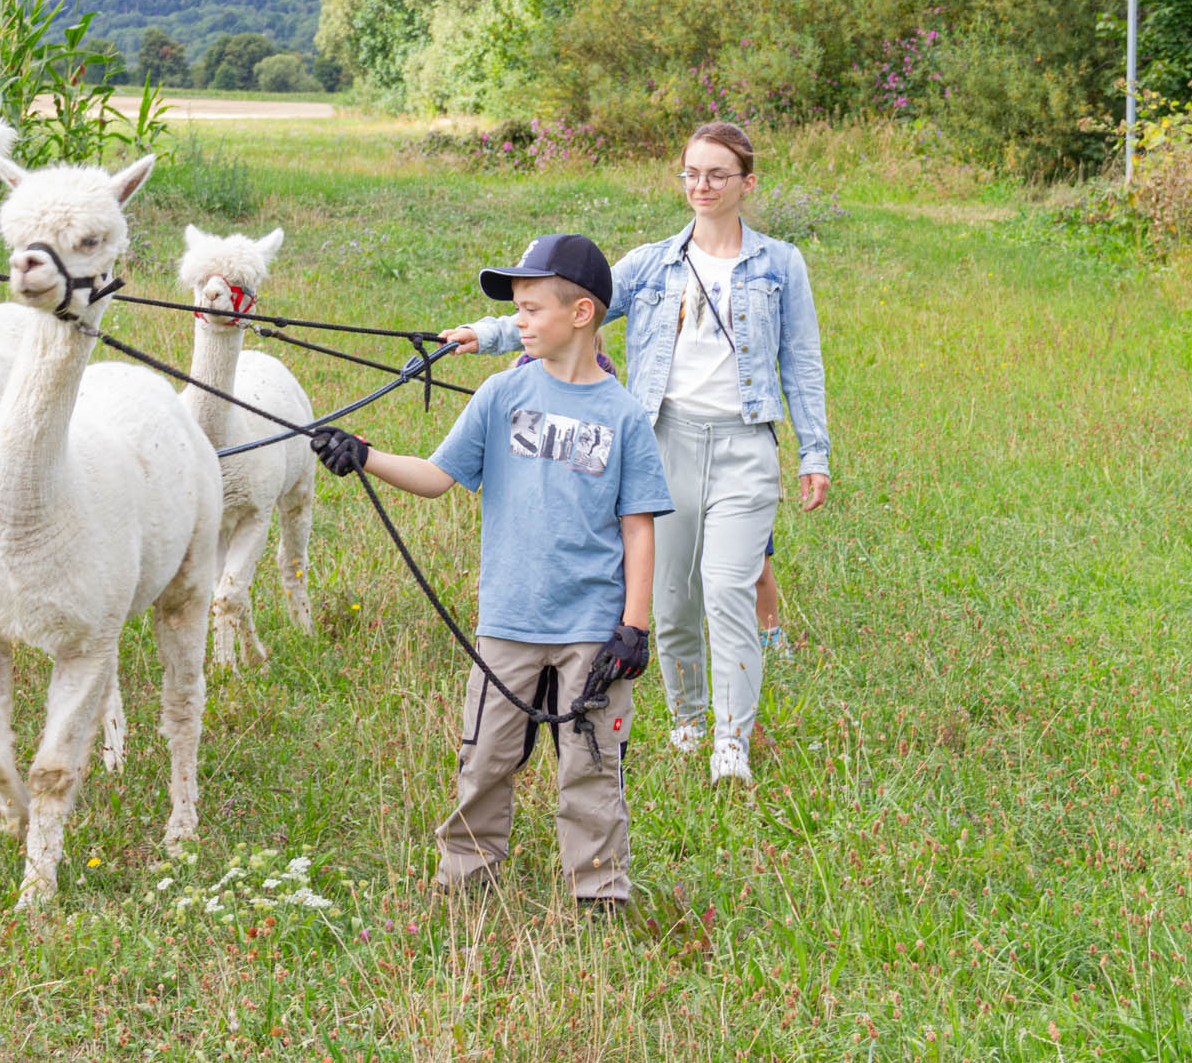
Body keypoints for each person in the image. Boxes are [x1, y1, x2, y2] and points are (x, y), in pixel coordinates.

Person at [446, 122, 830, 785]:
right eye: (691, 173)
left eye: (717, 174)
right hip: (664, 439)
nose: (702, 185)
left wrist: (813, 451)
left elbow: (801, 360)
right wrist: (486, 334)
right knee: (673, 597)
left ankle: (731, 742)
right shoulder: (652, 263)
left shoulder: (780, 264)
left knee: (727, 587)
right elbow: (569, 306)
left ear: (747, 183)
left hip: (745, 444)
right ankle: (687, 718)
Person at [309, 233, 672, 906]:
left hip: (593, 628)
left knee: (592, 766)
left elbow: (638, 525)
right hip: (508, 620)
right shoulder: (501, 395)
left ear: (582, 313)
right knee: (484, 758)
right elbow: (436, 476)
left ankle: (598, 891)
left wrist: (634, 628)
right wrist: (365, 454)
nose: (519, 322)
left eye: (531, 309)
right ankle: (467, 876)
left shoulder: (623, 415)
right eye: (517, 310)